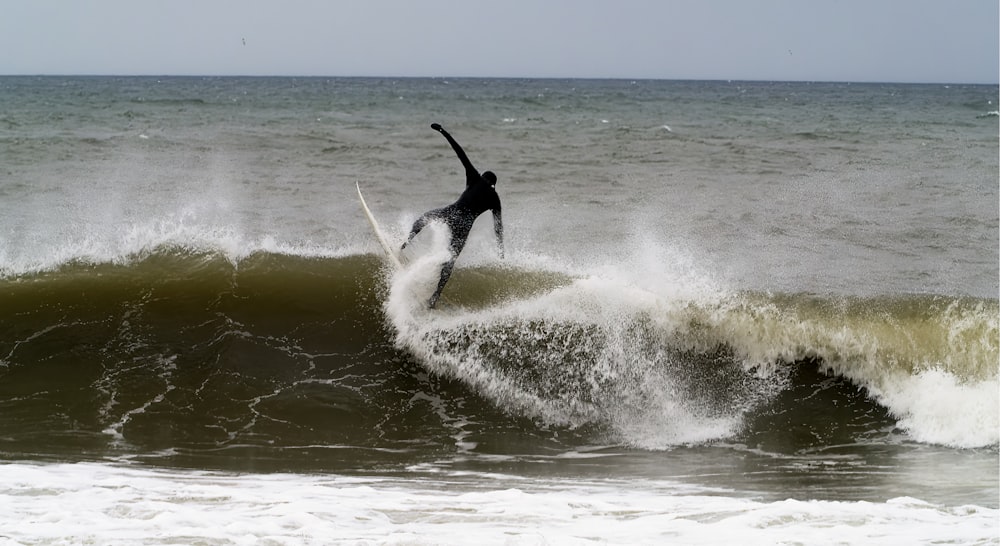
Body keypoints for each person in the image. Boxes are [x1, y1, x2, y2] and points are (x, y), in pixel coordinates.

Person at [402, 123, 503, 308]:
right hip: (464, 226)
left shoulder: (474, 177)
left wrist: (443, 131)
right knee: (450, 260)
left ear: (483, 177)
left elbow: (459, 152)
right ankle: (436, 296)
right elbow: (498, 226)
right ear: (494, 185)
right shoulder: (495, 198)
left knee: (424, 218)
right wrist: (500, 249)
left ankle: (405, 243)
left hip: (452, 213)